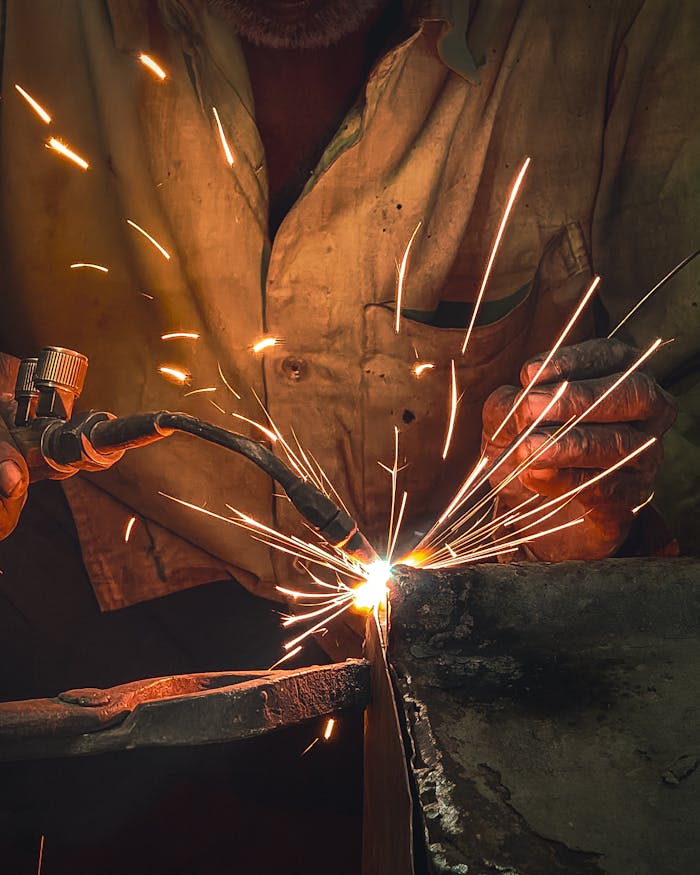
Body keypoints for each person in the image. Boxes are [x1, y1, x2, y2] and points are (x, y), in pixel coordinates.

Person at [0, 0, 696, 641]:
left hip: (509, 606)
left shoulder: (615, 22)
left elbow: (680, 386)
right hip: (92, 569)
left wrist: (600, 514)